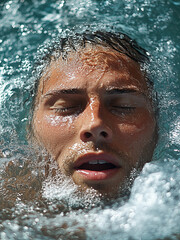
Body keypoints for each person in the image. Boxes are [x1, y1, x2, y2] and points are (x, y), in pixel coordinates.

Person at [28, 30, 158, 199]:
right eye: (66, 106)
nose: (94, 123)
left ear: (158, 129)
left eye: (124, 106)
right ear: (30, 130)